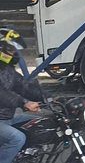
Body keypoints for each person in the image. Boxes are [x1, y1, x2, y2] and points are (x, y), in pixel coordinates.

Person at [0, 28, 42, 163]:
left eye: (14, 50)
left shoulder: (7, 69)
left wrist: (50, 97)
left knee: (40, 123)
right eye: (10, 49)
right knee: (17, 138)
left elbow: (25, 87)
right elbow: (2, 94)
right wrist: (24, 102)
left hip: (7, 118)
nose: (14, 53)